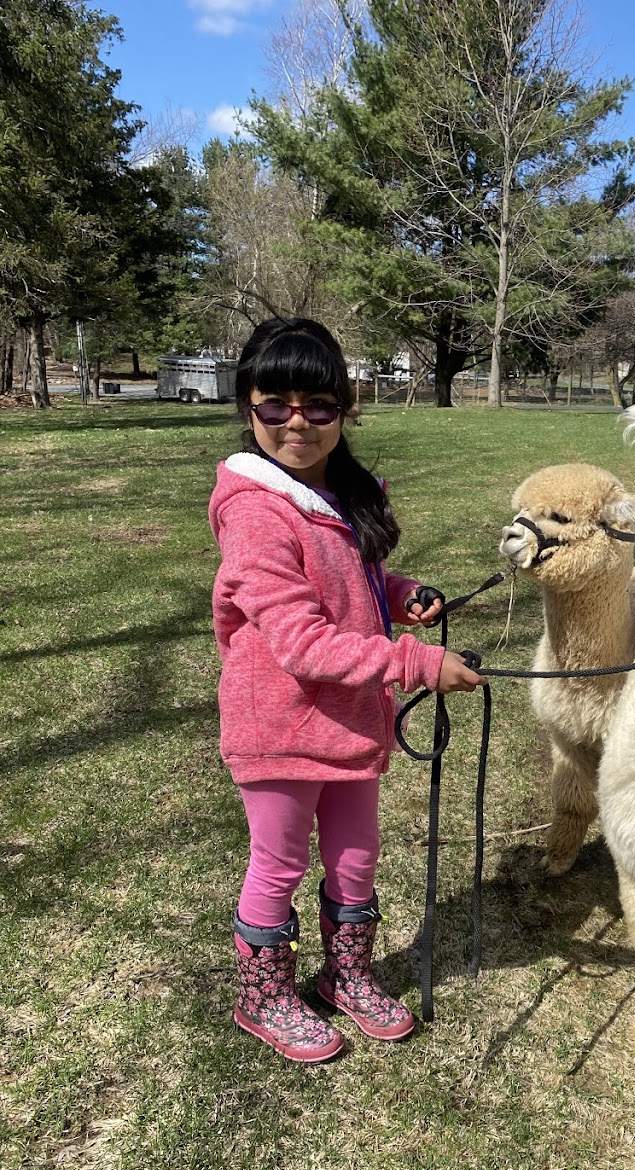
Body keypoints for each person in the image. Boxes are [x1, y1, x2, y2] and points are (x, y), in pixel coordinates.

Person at [209, 317, 483, 1064]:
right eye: (276, 403)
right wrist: (420, 663)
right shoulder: (255, 511)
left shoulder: (338, 493)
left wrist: (402, 594)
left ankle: (346, 973)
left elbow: (349, 586)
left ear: (345, 406)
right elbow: (299, 638)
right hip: (280, 725)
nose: (297, 421)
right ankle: (263, 995)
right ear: (248, 406)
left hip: (351, 722)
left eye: (318, 404)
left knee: (357, 854)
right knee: (280, 862)